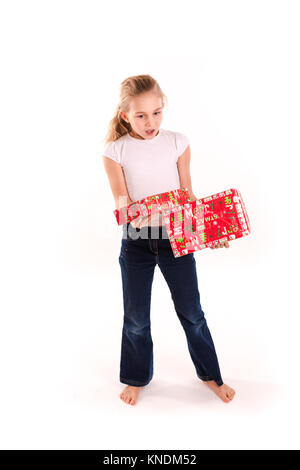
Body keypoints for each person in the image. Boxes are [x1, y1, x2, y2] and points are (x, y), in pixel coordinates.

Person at [102, 74, 235, 406]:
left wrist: (208, 231)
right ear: (125, 116)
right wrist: (134, 212)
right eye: (141, 115)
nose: (151, 122)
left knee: (192, 311)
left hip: (176, 239)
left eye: (157, 112)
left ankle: (211, 376)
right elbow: (121, 199)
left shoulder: (178, 142)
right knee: (136, 317)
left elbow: (188, 195)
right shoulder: (114, 150)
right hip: (136, 241)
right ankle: (135, 378)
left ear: (164, 108)